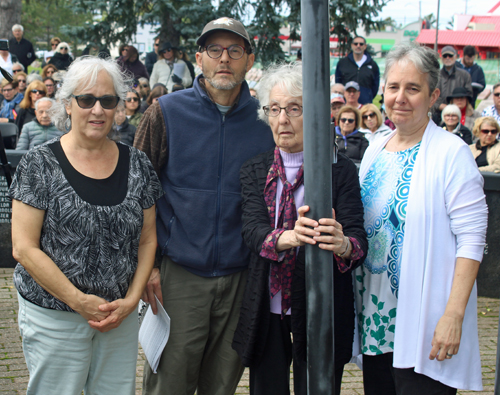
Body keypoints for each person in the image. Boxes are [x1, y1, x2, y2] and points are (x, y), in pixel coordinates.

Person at [135, 16, 275, 395]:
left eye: (234, 50)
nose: (224, 59)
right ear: (199, 57)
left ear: (249, 59)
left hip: (241, 276)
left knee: (221, 385)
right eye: (214, 50)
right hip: (179, 275)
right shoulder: (165, 112)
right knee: (170, 383)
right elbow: (137, 193)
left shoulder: (267, 120)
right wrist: (146, 267)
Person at [9, 55, 163, 394]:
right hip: (56, 317)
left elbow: (148, 240)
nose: (97, 110)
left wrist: (131, 300)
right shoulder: (39, 165)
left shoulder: (137, 164)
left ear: (118, 106)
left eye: (107, 100)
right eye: (86, 99)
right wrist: (79, 300)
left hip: (118, 318)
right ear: (68, 104)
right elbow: (23, 247)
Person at [355, 43, 488, 395]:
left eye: (413, 88)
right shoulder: (375, 150)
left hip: (426, 325)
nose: (400, 97)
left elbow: (472, 240)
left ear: (433, 95)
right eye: (393, 86)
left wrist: (453, 316)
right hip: (376, 321)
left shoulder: (452, 154)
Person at [232, 62, 368, 395]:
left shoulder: (339, 171)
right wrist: (289, 236)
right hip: (269, 304)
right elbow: (251, 231)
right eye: (275, 109)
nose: (282, 119)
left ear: (316, 115)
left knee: (318, 388)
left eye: (294, 109)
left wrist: (343, 243)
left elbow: (358, 240)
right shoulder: (255, 169)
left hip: (321, 306)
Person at [431, 46, 472, 125]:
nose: (447, 58)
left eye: (450, 55)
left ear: (455, 57)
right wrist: (439, 105)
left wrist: (456, 105)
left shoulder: (465, 75)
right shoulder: (435, 75)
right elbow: (429, 95)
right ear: (441, 58)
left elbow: (469, 95)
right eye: (445, 56)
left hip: (458, 115)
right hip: (438, 115)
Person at [335, 36, 380, 105]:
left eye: (361, 44)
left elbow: (375, 86)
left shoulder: (373, 65)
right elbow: (338, 83)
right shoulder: (342, 63)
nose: (358, 46)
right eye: (356, 44)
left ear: (365, 46)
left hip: (365, 104)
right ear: (352, 45)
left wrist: (367, 96)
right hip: (346, 104)